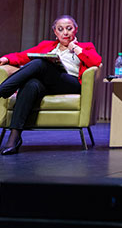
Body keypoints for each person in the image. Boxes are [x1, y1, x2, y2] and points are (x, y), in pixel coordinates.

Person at [0, 15, 102, 155]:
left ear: (75, 30)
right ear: (55, 32)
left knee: (40, 63)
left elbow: (96, 62)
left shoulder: (86, 46)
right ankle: (14, 138)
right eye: (60, 29)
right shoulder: (47, 46)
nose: (65, 33)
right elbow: (24, 56)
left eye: (69, 28)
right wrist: (6, 58)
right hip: (48, 83)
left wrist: (76, 49)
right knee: (31, 84)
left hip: (70, 83)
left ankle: (3, 90)